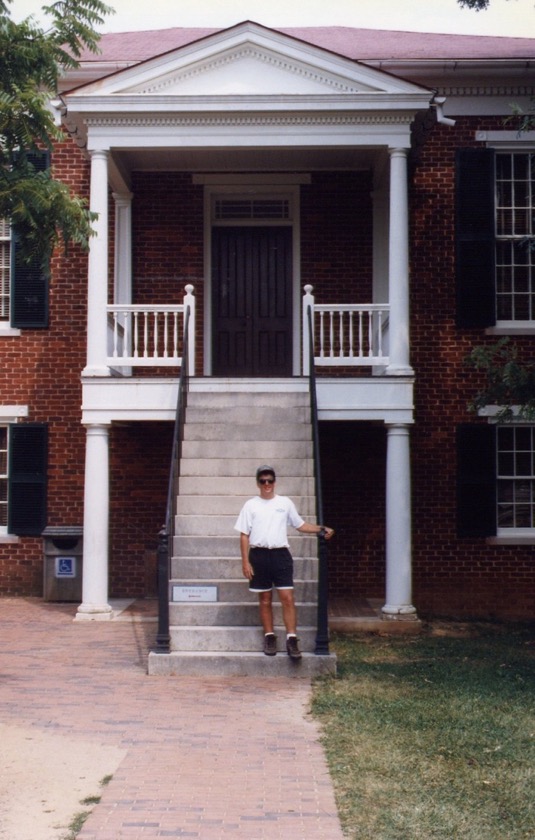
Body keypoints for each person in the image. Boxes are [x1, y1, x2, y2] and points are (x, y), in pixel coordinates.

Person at [234, 465, 334, 660]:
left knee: (287, 598)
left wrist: (321, 528)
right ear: (257, 483)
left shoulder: (285, 503)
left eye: (270, 480)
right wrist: (245, 562)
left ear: (274, 482)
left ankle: (291, 639)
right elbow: (244, 535)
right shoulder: (250, 505)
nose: (267, 484)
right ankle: (270, 636)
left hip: (281, 555)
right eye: (263, 481)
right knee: (265, 599)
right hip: (259, 556)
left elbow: (300, 525)